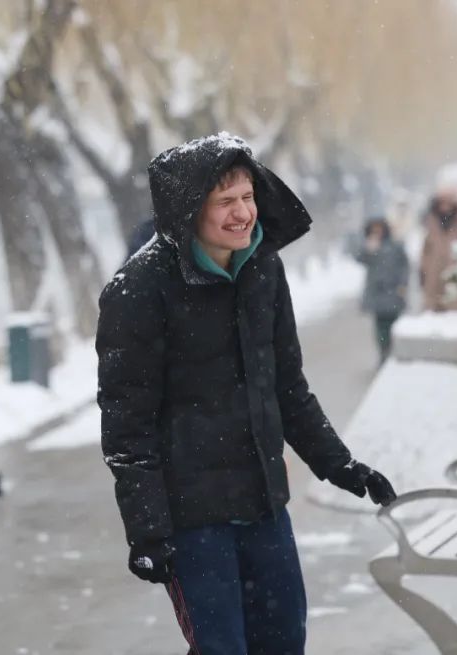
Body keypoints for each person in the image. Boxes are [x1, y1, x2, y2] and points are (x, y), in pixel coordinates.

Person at [97, 132, 398, 654]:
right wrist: (147, 531)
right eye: (225, 201)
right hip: (192, 518)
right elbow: (128, 426)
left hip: (263, 504)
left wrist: (341, 465)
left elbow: (287, 387)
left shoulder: (263, 268)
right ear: (190, 208)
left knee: (284, 641)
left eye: (247, 197)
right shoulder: (139, 290)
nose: (242, 214)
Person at [352, 216, 410, 364]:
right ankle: (384, 352)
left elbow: (404, 265)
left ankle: (393, 351)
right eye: (374, 229)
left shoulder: (395, 245)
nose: (377, 232)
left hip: (394, 291)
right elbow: (359, 259)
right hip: (377, 293)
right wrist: (369, 249)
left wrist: (403, 284)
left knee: (395, 323)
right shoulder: (370, 246)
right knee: (380, 326)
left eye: (379, 228)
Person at [419, 188, 457, 311]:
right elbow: (425, 253)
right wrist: (423, 273)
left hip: (456, 278)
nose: (445, 206)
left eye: (449, 202)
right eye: (442, 202)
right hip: (433, 278)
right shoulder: (431, 224)